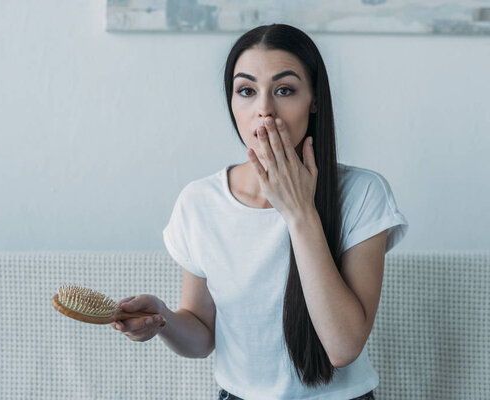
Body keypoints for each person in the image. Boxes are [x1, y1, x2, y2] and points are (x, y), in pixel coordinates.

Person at [109, 23, 409, 400]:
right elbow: (202, 335)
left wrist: (299, 212)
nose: (264, 110)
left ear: (314, 99)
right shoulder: (199, 202)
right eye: (247, 91)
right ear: (232, 102)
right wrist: (162, 319)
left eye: (285, 90)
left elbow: (344, 347)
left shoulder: (363, 194)